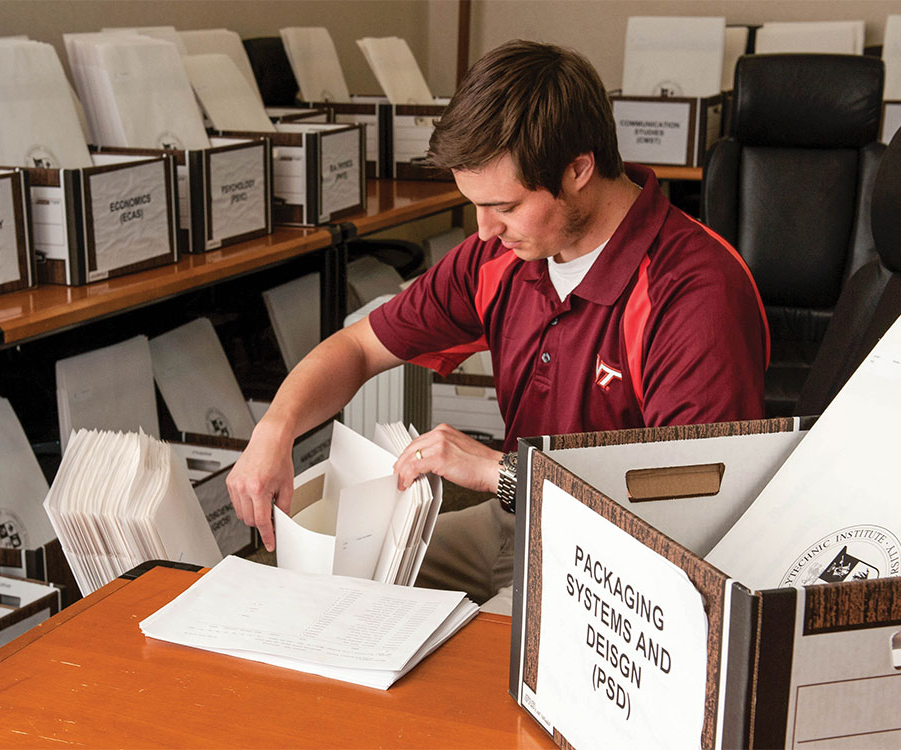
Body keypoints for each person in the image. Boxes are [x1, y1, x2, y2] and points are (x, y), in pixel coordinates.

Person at [227, 40, 768, 610]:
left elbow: (691, 512)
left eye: (505, 207)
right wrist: (275, 431)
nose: (484, 231)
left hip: (616, 572)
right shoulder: (502, 258)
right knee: (318, 582)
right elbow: (359, 348)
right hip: (518, 524)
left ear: (580, 167)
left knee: (446, 676)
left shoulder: (696, 295)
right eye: (475, 205)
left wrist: (501, 472)